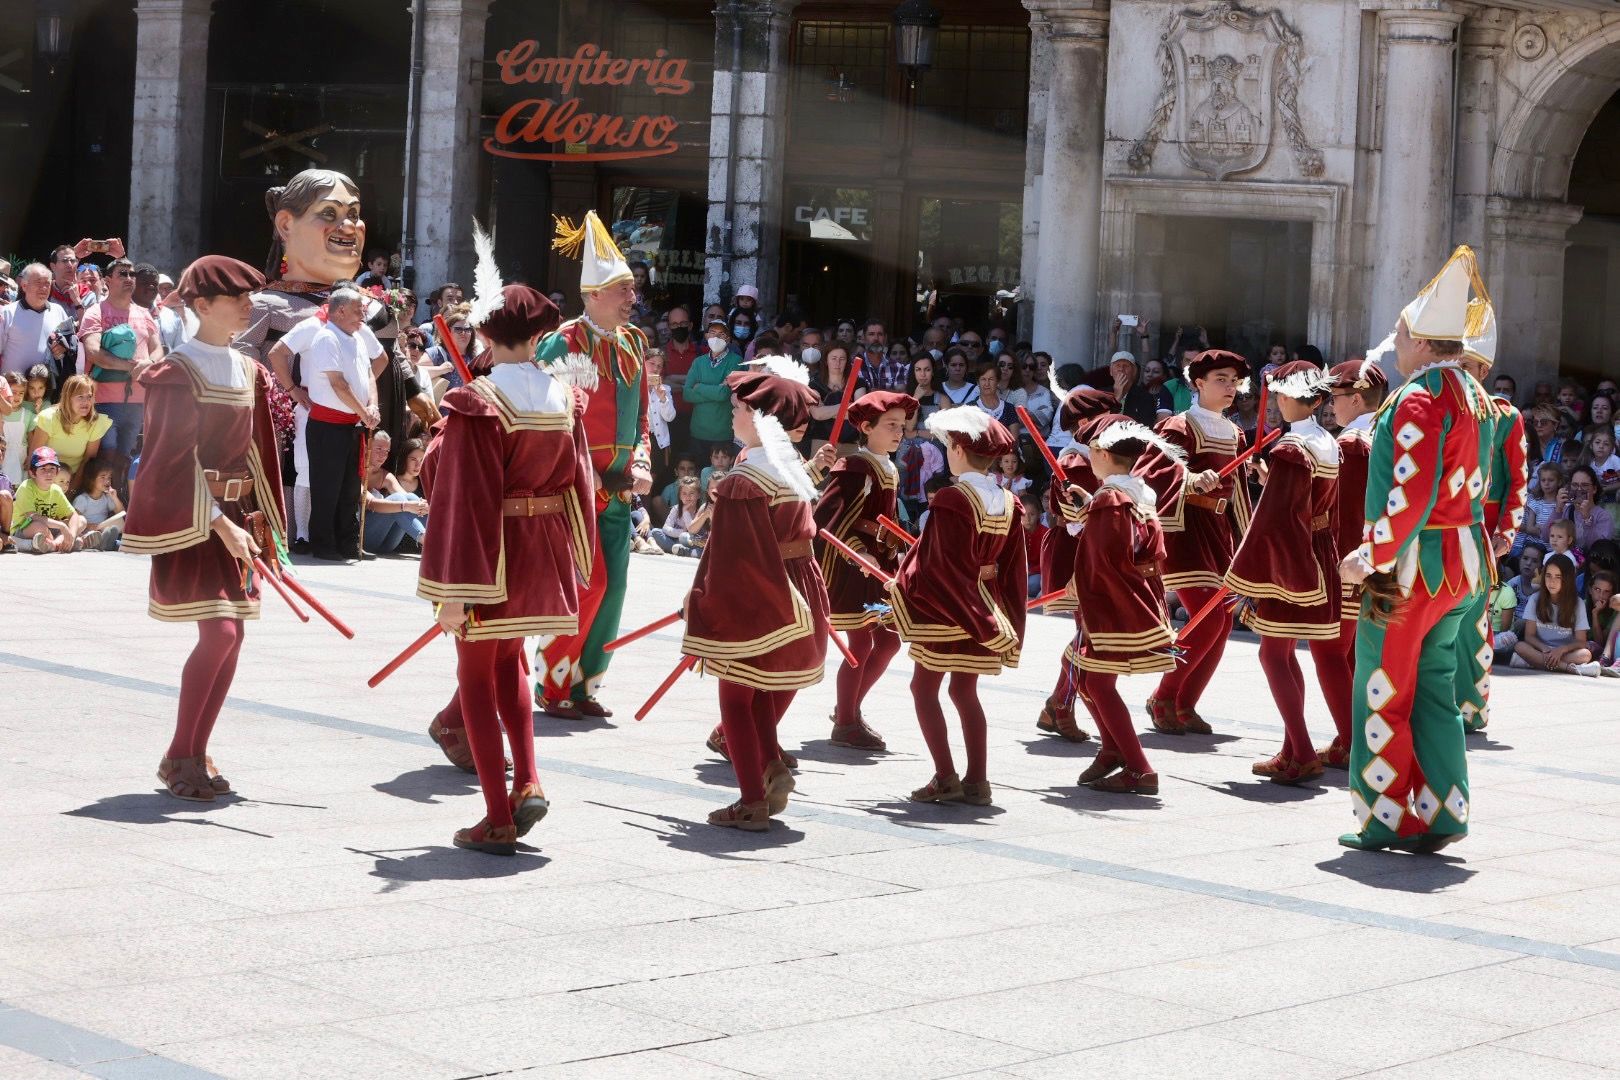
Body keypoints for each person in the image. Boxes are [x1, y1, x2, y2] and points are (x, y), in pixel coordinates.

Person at [418, 282, 595, 854]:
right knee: (511, 663)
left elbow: (463, 495)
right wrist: (576, 557)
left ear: (486, 335)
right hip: (542, 547)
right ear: (541, 334)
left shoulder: (480, 400)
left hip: (491, 553)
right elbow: (578, 485)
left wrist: (452, 588)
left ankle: (496, 816)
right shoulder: (564, 398)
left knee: (475, 675)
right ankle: (529, 781)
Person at [1339, 246, 1494, 853]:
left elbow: (1412, 493)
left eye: (1401, 332)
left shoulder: (1420, 397)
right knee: (1435, 689)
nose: (1395, 343)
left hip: (1411, 569)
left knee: (1382, 686)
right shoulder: (1477, 398)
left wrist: (1370, 554)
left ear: (1424, 341)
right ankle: (1444, 811)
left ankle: (1385, 816)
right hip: (1461, 566)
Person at [122, 256, 288, 801]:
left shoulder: (248, 369)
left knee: (233, 638)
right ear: (200, 306)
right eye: (236, 297)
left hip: (236, 521)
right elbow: (170, 460)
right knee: (219, 633)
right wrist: (220, 524)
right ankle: (179, 755)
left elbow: (260, 455)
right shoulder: (176, 371)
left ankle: (193, 751)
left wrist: (267, 532)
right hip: (196, 519)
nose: (248, 305)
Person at [680, 368, 827, 830]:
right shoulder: (789, 465)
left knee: (736, 695)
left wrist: (699, 596)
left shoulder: (746, 477)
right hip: (797, 582)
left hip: (761, 588)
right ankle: (771, 768)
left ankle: (750, 800)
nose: (733, 413)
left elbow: (729, 553)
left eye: (741, 408)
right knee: (762, 689)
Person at [534, 211, 653, 720]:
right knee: (589, 583)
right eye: (623, 289)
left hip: (622, 489)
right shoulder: (563, 342)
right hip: (579, 486)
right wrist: (587, 473)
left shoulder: (633, 343)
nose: (633, 298)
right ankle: (552, 684)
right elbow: (548, 420)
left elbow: (641, 416)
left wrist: (643, 457)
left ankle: (584, 687)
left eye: (632, 289)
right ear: (592, 295)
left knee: (616, 588)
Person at [890, 408, 1027, 807]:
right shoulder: (1008, 500)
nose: (947, 451)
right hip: (985, 606)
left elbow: (938, 563)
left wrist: (901, 585)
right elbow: (1011, 568)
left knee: (923, 687)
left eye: (949, 445)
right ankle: (978, 780)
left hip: (948, 607)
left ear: (960, 450)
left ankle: (945, 775)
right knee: (965, 691)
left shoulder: (952, 498)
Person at [1224, 362, 1352, 784]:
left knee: (1272, 653)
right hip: (1318, 550)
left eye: (1283, 395)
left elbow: (1277, 520)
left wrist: (1251, 572)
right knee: (1282, 653)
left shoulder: (1292, 449)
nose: (1277, 402)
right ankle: (1290, 748)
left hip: (1292, 557)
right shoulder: (1325, 441)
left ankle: (1299, 750)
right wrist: (1270, 478)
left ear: (1301, 400)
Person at [1068, 414, 1184, 794]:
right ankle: (1112, 747)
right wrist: (1091, 509)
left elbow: (1105, 558)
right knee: (1088, 676)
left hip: (1113, 601)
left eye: (1091, 451)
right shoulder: (1137, 491)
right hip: (1136, 592)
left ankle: (1139, 766)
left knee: (1098, 683)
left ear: (1101, 453)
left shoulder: (1110, 497)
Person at [1141, 350, 1254, 735]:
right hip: (1185, 530)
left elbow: (1237, 492)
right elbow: (1152, 473)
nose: (1229, 387)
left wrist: (1248, 540)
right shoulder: (1178, 427)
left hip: (1219, 531)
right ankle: (1163, 695)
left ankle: (1184, 704)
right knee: (1206, 623)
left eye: (1234, 381)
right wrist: (1189, 479)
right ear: (1198, 383)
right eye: (1220, 379)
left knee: (1222, 624)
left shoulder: (1236, 433)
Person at [811, 391, 918, 752]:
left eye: (902, 426)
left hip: (882, 564)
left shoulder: (887, 466)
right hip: (855, 566)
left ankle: (849, 707)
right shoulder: (855, 466)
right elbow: (829, 518)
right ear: (866, 427)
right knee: (860, 643)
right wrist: (859, 553)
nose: (898, 432)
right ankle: (845, 722)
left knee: (888, 641)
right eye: (890, 425)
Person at [1453, 310, 1528, 733]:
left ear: (1483, 369)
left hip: (1481, 532)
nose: (1458, 373)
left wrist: (1506, 533)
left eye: (1465, 366)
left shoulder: (1504, 417)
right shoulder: (1440, 409)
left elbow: (1518, 479)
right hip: (1439, 528)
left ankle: (1472, 705)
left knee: (1472, 621)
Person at [1035, 387, 1118, 743]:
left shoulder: (1103, 456)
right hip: (1079, 552)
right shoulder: (1076, 461)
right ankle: (1062, 704)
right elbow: (1078, 514)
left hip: (1099, 549)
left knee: (1094, 633)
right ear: (1084, 422)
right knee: (1091, 633)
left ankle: (1059, 703)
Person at [301, 288, 379, 562]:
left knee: (349, 489)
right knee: (327, 488)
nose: (363, 315)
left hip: (353, 424)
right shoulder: (326, 337)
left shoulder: (356, 338)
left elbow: (369, 373)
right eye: (358, 310)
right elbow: (338, 384)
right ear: (341, 310)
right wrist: (364, 411)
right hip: (328, 426)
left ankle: (348, 543)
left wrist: (373, 406)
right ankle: (324, 544)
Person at [1326, 354, 1389, 689]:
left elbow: (1345, 514)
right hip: (1383, 556)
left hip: (1354, 560)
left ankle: (1348, 736)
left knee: (1337, 653)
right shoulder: (1387, 437)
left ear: (1355, 398)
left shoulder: (1351, 443)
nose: (1330, 406)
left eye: (1335, 397)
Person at [77, 258, 163, 457]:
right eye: (122, 274)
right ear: (107, 280)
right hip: (103, 400)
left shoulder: (144, 313)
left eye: (132, 274)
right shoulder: (95, 312)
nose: (129, 278)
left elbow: (158, 349)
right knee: (105, 459)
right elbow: (94, 352)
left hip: (139, 402)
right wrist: (130, 367)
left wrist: (149, 362)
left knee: (127, 460)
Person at [1511, 554, 1600, 675]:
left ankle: (1533, 662)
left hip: (1565, 652)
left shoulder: (1577, 603)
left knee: (1585, 654)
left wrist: (1561, 650)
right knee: (1520, 646)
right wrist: (1544, 648)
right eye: (1548, 576)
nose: (1552, 581)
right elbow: (1529, 636)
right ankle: (1571, 669)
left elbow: (1581, 641)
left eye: (1558, 577)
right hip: (1541, 649)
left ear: (1567, 579)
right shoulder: (1535, 599)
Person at [29, 373, 111, 479]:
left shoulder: (95, 423)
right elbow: (35, 458)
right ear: (68, 398)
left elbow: (88, 462)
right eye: (80, 397)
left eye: (89, 396)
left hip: (74, 479)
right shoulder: (48, 418)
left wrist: (73, 488)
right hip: (45, 479)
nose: (86, 402)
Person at [683, 316, 743, 457]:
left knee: (721, 475)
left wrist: (699, 387)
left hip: (723, 434)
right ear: (706, 336)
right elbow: (687, 394)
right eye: (713, 332)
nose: (716, 337)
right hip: (698, 432)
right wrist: (717, 389)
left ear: (728, 339)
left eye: (721, 334)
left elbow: (724, 394)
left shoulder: (736, 361)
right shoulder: (698, 362)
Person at [0, 263, 71, 383]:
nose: (44, 288)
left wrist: (63, 348)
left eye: (47, 283)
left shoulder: (58, 311)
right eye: (38, 283)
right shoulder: (7, 313)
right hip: (13, 390)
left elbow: (70, 343)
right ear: (24, 285)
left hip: (47, 391)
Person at [362, 430, 428, 555]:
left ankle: (437, 537)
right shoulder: (356, 473)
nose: (383, 455)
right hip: (363, 539)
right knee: (399, 499)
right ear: (366, 447)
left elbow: (408, 498)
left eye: (386, 451)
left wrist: (425, 507)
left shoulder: (386, 476)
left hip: (387, 543)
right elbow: (371, 503)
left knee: (408, 497)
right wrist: (405, 506)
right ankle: (429, 541)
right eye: (379, 449)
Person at [10, 447, 87, 553]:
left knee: (81, 520)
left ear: (57, 471)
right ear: (32, 473)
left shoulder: (56, 490)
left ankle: (60, 543)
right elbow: (32, 516)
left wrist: (71, 534)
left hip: (49, 529)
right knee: (39, 527)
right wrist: (62, 526)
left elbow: (73, 515)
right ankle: (62, 544)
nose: (49, 473)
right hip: (24, 528)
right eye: (43, 469)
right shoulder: (26, 487)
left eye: (52, 469)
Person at [806, 341, 870, 449]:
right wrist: (846, 405)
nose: (838, 363)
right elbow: (817, 414)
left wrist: (827, 411)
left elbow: (859, 414)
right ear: (826, 361)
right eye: (834, 358)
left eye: (842, 359)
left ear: (847, 361)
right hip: (821, 443)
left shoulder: (858, 383)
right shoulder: (814, 384)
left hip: (852, 444)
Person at [71, 458, 125, 550]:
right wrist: (89, 526)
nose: (107, 481)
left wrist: (114, 498)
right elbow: (74, 520)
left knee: (118, 541)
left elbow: (121, 512)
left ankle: (106, 542)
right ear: (91, 479)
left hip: (102, 529)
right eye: (103, 477)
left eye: (109, 477)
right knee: (96, 537)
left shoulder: (107, 497)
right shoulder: (82, 499)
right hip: (87, 531)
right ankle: (104, 543)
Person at [971, 361, 1013, 426]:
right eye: (983, 379)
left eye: (991, 379)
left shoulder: (1009, 408)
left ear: (998, 382)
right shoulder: (969, 409)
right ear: (978, 382)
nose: (987, 384)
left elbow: (1014, 436)